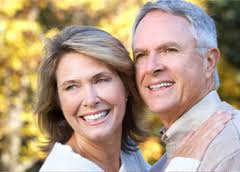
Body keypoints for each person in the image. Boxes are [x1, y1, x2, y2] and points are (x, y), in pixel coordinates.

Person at [36, 25, 231, 172]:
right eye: (71, 87)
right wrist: (185, 162)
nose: (90, 99)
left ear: (126, 86)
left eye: (101, 80)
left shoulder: (126, 154)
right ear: (58, 101)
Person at [132, 0, 240, 171]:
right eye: (141, 55)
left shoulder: (232, 150)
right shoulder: (165, 164)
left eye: (169, 50)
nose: (151, 67)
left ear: (209, 62)